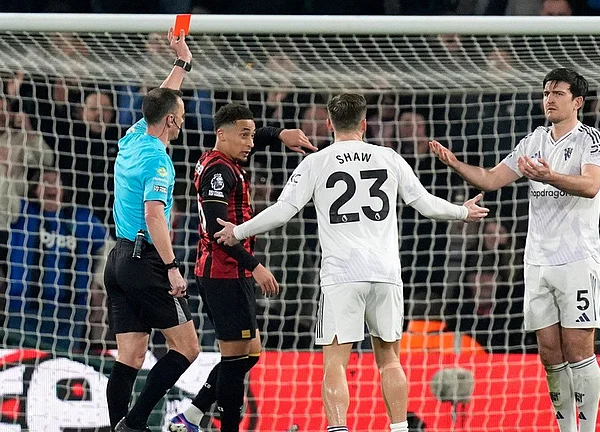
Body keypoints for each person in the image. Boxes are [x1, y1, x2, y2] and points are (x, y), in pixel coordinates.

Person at [214, 93, 489, 432]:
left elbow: (283, 211)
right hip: (386, 273)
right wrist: (464, 211)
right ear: (364, 124)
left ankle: (339, 428)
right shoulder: (389, 158)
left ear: (329, 124)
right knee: (389, 360)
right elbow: (426, 204)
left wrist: (238, 231)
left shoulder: (316, 162)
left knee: (335, 363)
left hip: (342, 275)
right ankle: (400, 428)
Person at [430, 67, 600, 432]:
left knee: (579, 351)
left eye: (558, 93)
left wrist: (548, 176)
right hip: (537, 261)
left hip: (576, 258)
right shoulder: (533, 141)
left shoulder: (592, 140)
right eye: (546, 92)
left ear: (577, 102)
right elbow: (492, 179)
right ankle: (567, 429)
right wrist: (455, 163)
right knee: (550, 354)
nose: (550, 99)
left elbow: (591, 186)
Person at [168, 103, 316, 432]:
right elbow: (220, 233)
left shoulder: (223, 159)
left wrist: (279, 134)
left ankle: (190, 417)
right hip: (224, 273)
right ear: (222, 135)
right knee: (236, 361)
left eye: (252, 134)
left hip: (233, 273)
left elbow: (253, 134)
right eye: (244, 135)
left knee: (250, 354)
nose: (251, 142)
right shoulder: (219, 173)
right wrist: (257, 266)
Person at [102, 27, 200, 432]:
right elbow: (155, 215)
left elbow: (159, 102)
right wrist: (173, 266)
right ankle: (135, 423)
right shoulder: (159, 161)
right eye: (178, 117)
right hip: (145, 262)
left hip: (118, 259)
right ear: (173, 121)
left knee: (131, 356)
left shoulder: (133, 136)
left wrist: (181, 62)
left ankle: (117, 428)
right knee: (188, 347)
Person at [4, 169, 107, 353]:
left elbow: (109, 248)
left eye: (55, 181)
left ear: (63, 189)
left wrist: (98, 284)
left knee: (59, 370)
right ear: (35, 190)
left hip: (68, 314)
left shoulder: (82, 219)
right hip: (24, 310)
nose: (50, 186)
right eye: (44, 181)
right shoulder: (23, 213)